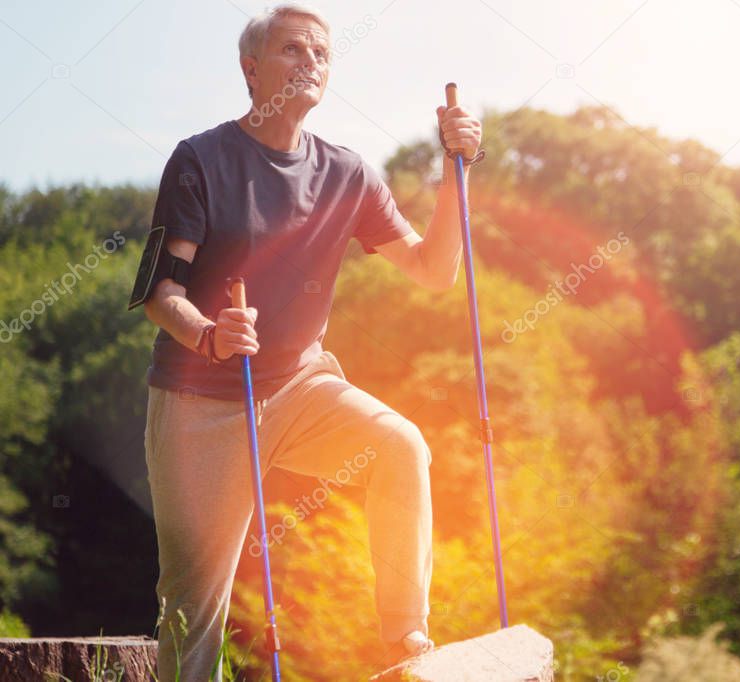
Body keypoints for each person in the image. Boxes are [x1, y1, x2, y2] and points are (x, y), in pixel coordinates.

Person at [130, 3, 482, 678]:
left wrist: (456, 171)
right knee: (193, 612)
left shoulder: (347, 174)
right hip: (200, 400)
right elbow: (160, 295)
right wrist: (209, 336)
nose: (311, 61)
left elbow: (435, 272)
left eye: (321, 53)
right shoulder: (199, 159)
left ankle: (403, 640)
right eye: (293, 50)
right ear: (251, 70)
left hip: (300, 384)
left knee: (399, 445)